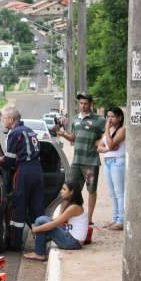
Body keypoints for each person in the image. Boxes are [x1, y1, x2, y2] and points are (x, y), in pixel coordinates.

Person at [0, 107, 44, 251]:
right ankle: (41, 241)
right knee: (37, 206)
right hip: (38, 170)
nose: (2, 120)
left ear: (11, 120)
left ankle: (16, 243)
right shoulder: (29, 131)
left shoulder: (14, 133)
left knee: (19, 206)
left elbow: (10, 161)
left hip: (24, 172)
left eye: (3, 118)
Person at [56, 92, 106, 225]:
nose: (83, 106)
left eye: (85, 103)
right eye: (81, 103)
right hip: (77, 162)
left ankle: (89, 219)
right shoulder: (75, 119)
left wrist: (99, 142)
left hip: (90, 163)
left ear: (91, 104)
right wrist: (64, 134)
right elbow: (73, 137)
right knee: (69, 187)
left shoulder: (99, 120)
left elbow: (106, 134)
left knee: (91, 190)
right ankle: (62, 217)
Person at [24, 181, 88, 261]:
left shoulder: (74, 208)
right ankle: (40, 243)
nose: (61, 191)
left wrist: (36, 229)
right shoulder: (73, 204)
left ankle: (39, 254)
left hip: (73, 242)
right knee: (42, 220)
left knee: (41, 222)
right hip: (70, 236)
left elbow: (55, 223)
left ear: (71, 192)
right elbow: (58, 219)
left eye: (64, 189)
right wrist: (63, 201)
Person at [97, 106, 126, 230]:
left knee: (120, 193)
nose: (109, 119)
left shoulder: (122, 130)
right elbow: (100, 147)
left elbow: (110, 143)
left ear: (119, 118)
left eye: (112, 116)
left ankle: (121, 220)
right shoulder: (109, 130)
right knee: (112, 193)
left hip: (118, 162)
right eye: (108, 116)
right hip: (108, 162)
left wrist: (107, 130)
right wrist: (108, 148)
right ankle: (115, 218)